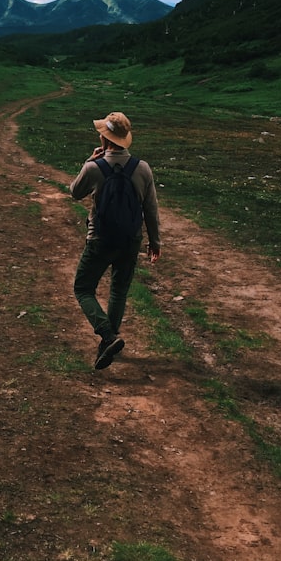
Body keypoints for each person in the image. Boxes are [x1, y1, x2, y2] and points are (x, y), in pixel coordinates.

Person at [70, 111, 161, 370]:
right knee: (118, 291)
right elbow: (151, 210)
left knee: (83, 288)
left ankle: (108, 336)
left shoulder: (93, 167)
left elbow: (75, 192)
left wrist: (89, 160)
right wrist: (155, 242)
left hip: (100, 239)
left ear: (105, 137)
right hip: (130, 240)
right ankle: (107, 343)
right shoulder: (142, 168)